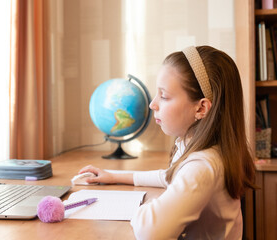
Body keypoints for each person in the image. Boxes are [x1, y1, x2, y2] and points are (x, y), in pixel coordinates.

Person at [78, 46, 257, 239]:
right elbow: (169, 177)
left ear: (201, 108)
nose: (152, 104)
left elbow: (150, 231)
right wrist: (114, 176)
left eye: (164, 96)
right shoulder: (195, 147)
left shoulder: (202, 167)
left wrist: (144, 207)